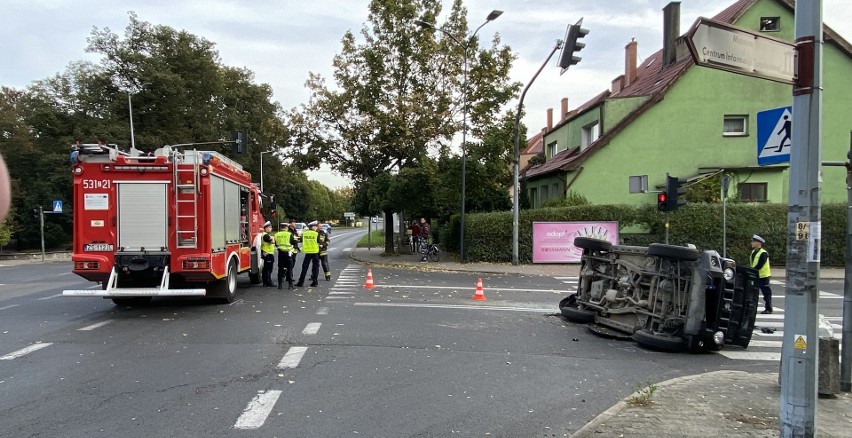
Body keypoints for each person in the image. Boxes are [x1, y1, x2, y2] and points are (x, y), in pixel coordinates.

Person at [750, 234, 773, 314]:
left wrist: (752, 271)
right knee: (753, 293)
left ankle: (769, 308)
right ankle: (752, 308)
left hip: (763, 276)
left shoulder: (763, 253)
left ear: (758, 243)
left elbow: (760, 264)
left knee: (766, 294)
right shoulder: (753, 252)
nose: (752, 243)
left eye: (753, 242)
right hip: (756, 276)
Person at [274, 222, 299, 290]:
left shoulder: (276, 234)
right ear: (286, 228)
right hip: (288, 253)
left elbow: (276, 244)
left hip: (280, 253)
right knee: (289, 268)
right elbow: (294, 243)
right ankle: (290, 285)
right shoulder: (289, 234)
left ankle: (279, 285)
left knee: (280, 269)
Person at [295, 221, 320, 287]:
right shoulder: (316, 234)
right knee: (315, 267)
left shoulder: (304, 233)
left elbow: (301, 240)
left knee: (304, 267)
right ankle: (315, 282)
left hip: (307, 252)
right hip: (315, 252)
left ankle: (301, 282)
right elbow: (318, 242)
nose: (317, 227)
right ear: (313, 227)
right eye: (316, 226)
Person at [260, 221, 276, 287]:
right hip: (268, 254)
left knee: (266, 269)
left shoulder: (265, 234)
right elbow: (272, 241)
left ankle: (265, 282)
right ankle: (268, 282)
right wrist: (273, 239)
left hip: (267, 253)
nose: (271, 228)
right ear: (266, 228)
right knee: (268, 269)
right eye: (270, 227)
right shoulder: (265, 235)